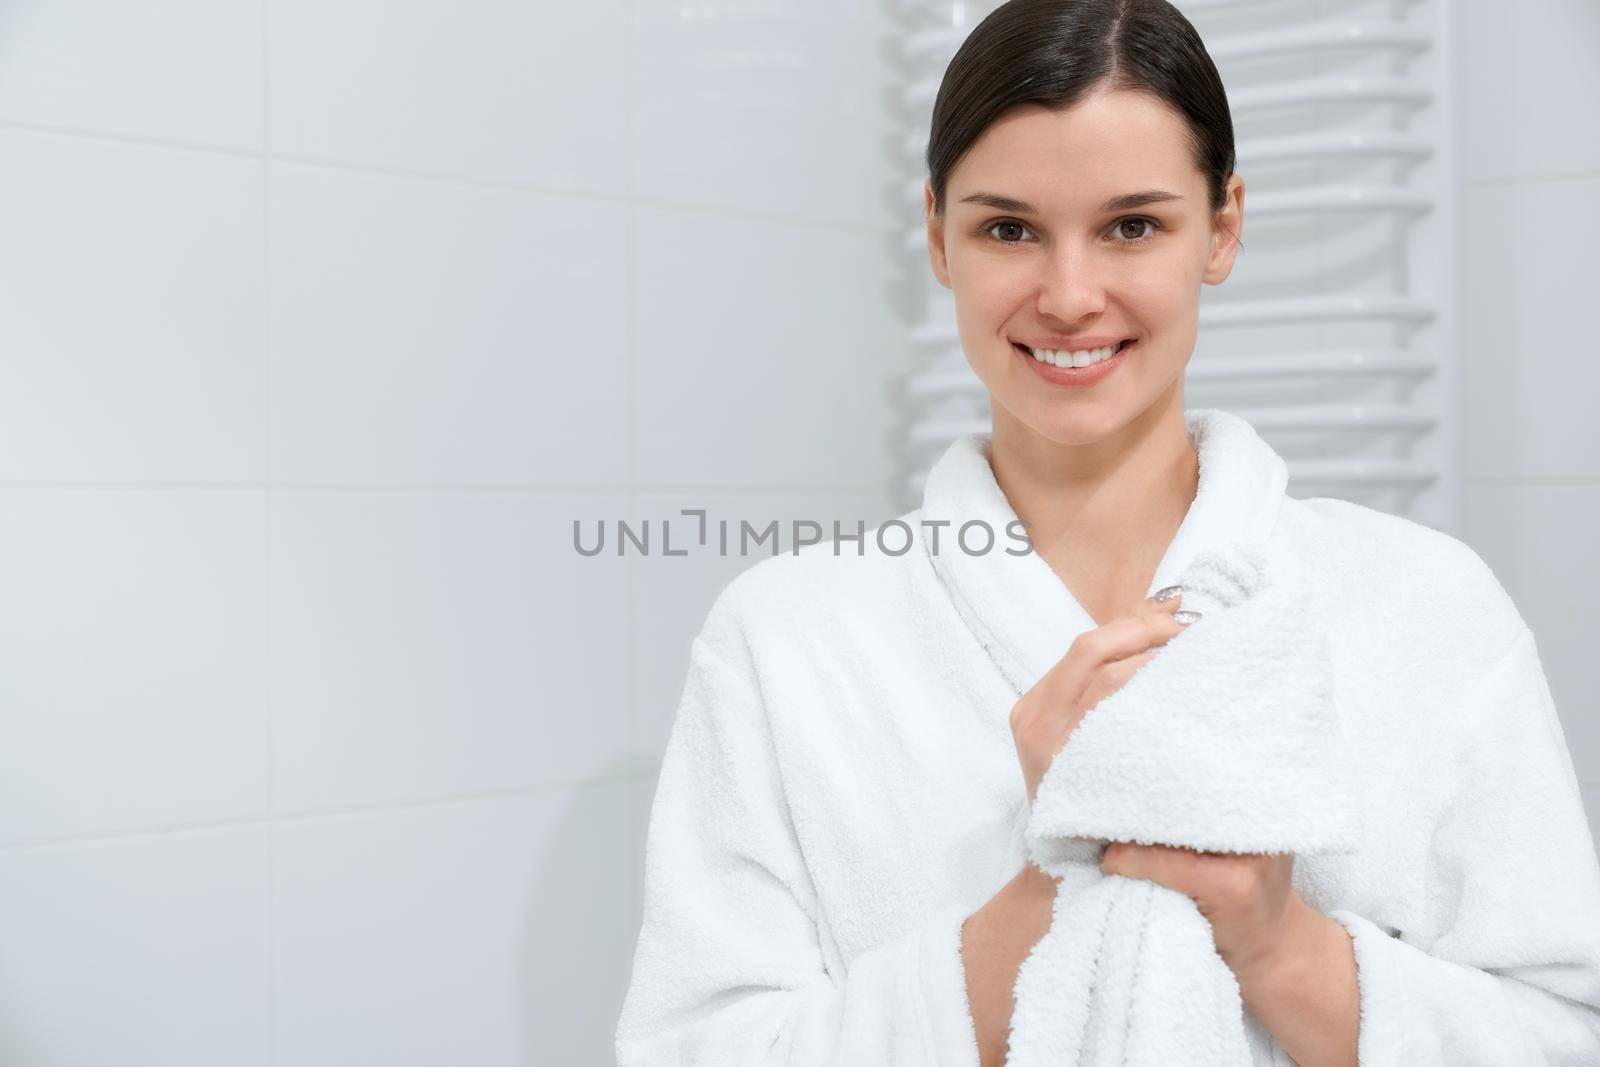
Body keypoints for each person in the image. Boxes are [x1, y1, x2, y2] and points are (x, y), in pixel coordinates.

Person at [614, 1, 1600, 1064]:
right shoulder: (786, 637)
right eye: (1007, 228)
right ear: (937, 238)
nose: (1069, 296)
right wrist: (1056, 875)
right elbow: (696, 1046)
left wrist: (1275, 940)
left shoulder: (1424, 604)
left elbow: (1560, 1030)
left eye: (1132, 225)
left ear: (1221, 227)